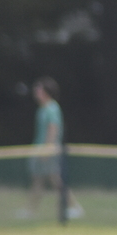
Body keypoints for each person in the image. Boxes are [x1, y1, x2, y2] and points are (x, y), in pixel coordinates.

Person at [21, 77, 82, 220]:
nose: (36, 92)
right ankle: (30, 210)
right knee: (39, 181)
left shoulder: (52, 108)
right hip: (40, 150)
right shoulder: (42, 109)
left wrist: (48, 149)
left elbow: (53, 129)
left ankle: (74, 208)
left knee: (55, 180)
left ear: (46, 92)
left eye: (39, 89)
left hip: (48, 151)